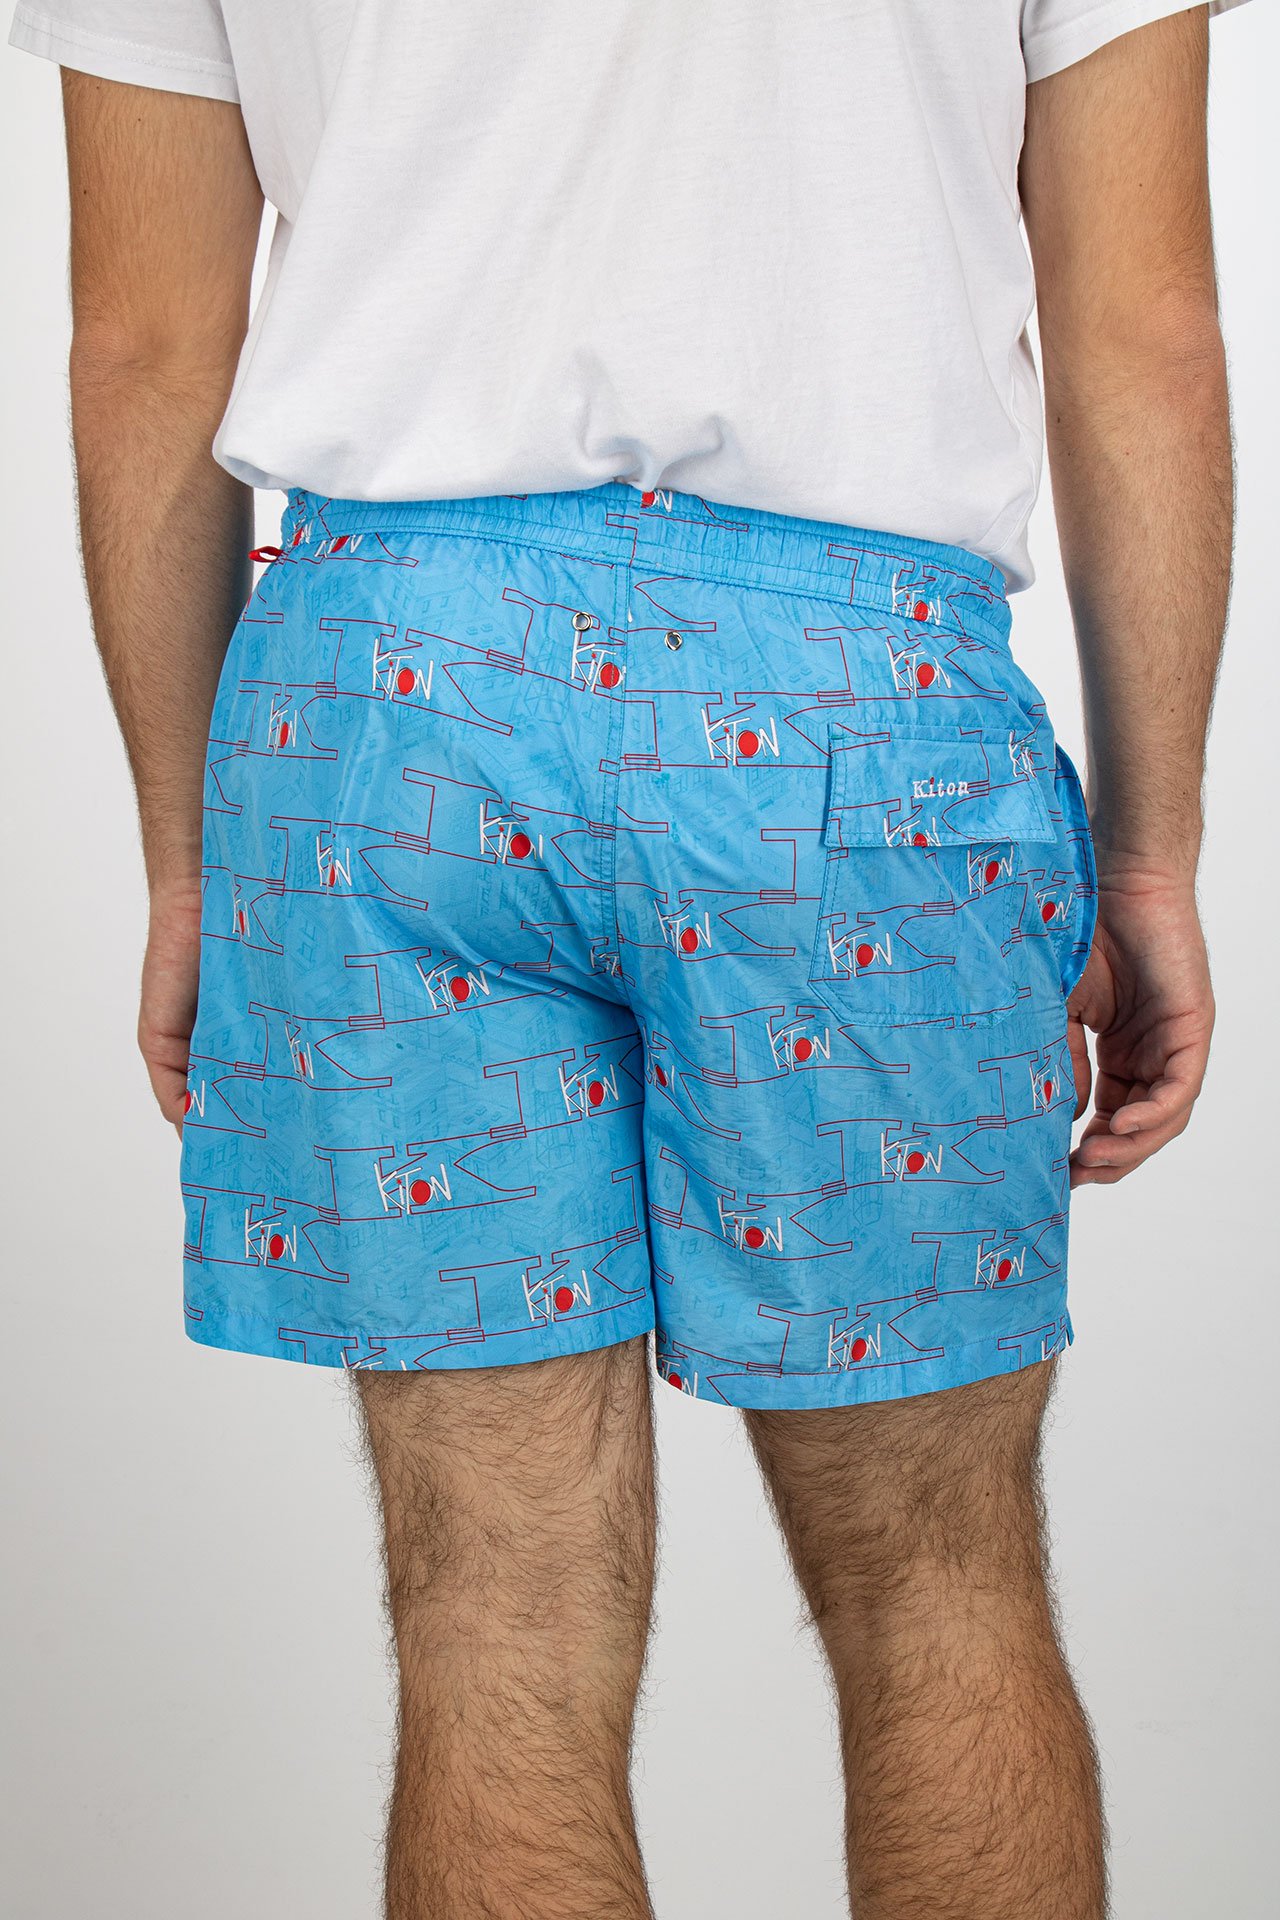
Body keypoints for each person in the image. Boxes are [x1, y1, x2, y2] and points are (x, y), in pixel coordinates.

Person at [9, 1, 1247, 1913]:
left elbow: (146, 345)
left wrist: (192, 862)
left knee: (491, 1616)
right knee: (938, 1585)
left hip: (391, 711)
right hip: (853, 720)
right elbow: (1140, 323)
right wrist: (1149, 853)